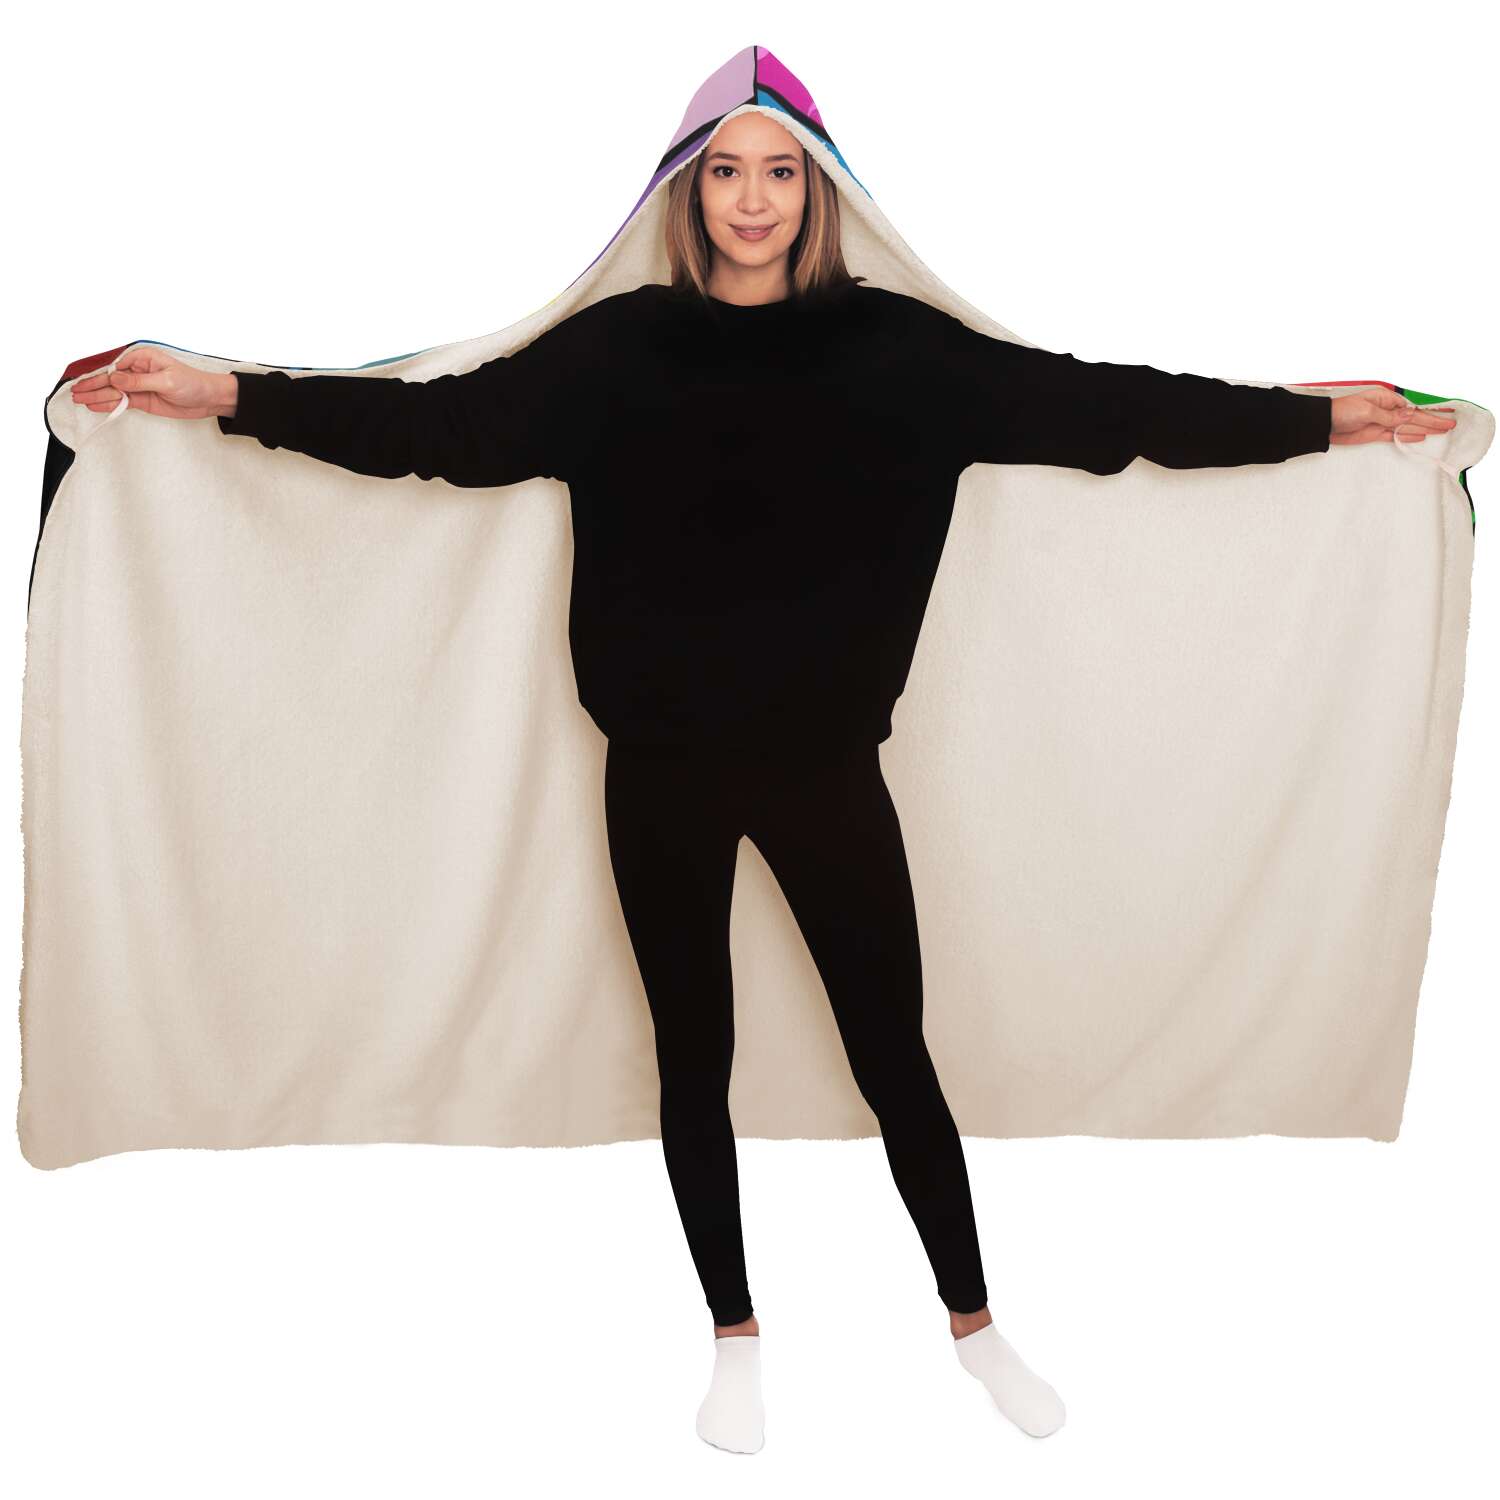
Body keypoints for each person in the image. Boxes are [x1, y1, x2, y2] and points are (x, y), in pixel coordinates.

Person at [71, 108, 1457, 1455]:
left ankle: (976, 1328)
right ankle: (734, 1337)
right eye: (726, 170)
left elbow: (1113, 408)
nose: (751, 199)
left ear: (820, 188)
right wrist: (230, 395)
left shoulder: (904, 352)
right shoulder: (617, 349)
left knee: (893, 1055)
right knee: (695, 1058)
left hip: (823, 772)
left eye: (780, 172)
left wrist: (1311, 419)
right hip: (657, 773)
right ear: (687, 188)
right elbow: (434, 430)